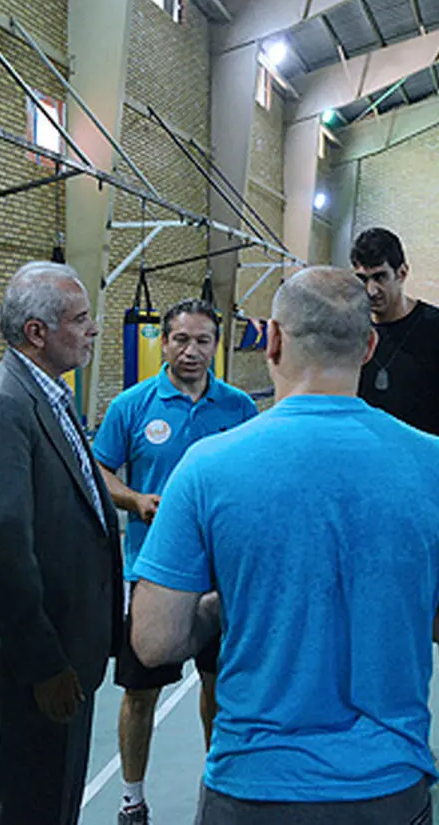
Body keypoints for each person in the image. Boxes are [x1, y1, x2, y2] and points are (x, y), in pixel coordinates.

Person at [128, 266, 439, 824]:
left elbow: (155, 640)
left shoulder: (207, 467)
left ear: (272, 339)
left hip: (253, 786)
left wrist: (237, 603)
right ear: (369, 346)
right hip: (389, 784)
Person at [0, 261, 121, 825]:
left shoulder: (49, 394)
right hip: (38, 660)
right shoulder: (2, 405)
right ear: (36, 333)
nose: (92, 330)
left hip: (69, 643)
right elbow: (2, 551)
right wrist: (45, 664)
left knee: (57, 794)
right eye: (80, 320)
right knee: (33, 802)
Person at [92, 297, 258, 825]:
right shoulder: (133, 406)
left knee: (218, 690)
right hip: (153, 577)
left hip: (219, 577)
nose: (191, 350)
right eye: (181, 339)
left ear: (216, 346)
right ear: (163, 342)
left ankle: (216, 788)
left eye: (202, 340)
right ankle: (132, 799)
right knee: (140, 693)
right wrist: (135, 500)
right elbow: (100, 470)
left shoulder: (238, 408)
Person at [350, 227, 439, 809]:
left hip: (428, 501)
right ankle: (390, 743)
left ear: (402, 272)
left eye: (379, 278)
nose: (370, 291)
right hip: (360, 502)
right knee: (370, 627)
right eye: (360, 279)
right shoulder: (349, 330)